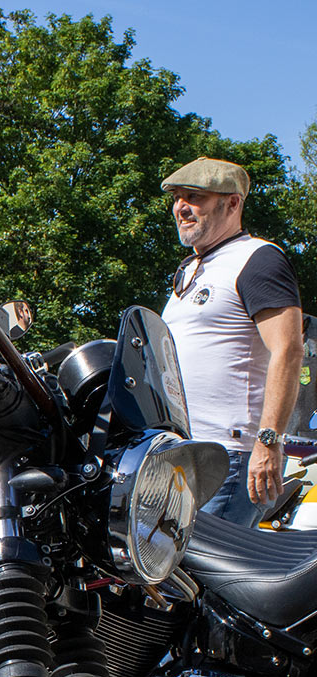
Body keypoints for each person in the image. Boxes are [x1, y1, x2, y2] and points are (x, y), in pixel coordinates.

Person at [161, 156, 303, 526]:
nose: (181, 207)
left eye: (195, 196)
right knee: (170, 580)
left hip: (232, 456)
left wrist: (269, 441)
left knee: (204, 580)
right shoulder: (192, 269)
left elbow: (288, 351)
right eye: (177, 198)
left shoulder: (257, 259)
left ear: (233, 202)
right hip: (181, 454)